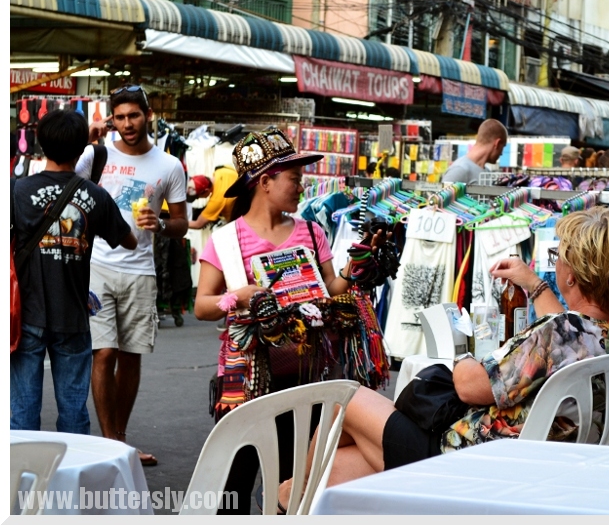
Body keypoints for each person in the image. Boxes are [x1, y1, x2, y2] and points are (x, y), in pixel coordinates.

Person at [278, 207, 609, 504]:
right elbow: (563, 327)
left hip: (465, 464)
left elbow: (470, 386)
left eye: (559, 256)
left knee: (346, 401)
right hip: (531, 468)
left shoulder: (559, 334)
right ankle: (294, 495)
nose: (557, 264)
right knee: (346, 463)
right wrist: (533, 284)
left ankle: (289, 498)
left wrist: (465, 353)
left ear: (573, 276)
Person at [194, 128, 386, 514]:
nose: (301, 187)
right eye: (294, 179)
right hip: (246, 381)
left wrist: (354, 267)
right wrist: (239, 296)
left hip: (306, 376)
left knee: (293, 478)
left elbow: (333, 288)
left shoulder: (312, 233)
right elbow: (202, 305)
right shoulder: (227, 239)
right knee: (237, 477)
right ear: (265, 182)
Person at [77, 85, 188, 466]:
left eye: (134, 116)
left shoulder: (170, 166)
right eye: (120, 117)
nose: (127, 124)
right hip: (97, 266)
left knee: (131, 356)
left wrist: (160, 223)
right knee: (104, 353)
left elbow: (182, 224)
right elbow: (59, 184)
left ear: (147, 115)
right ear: (113, 120)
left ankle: (120, 439)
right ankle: (111, 442)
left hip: (141, 271)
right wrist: (84, 142)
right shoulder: (95, 156)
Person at [11, 110, 137, 435]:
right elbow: (129, 241)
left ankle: (22, 482)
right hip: (73, 318)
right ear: (83, 149)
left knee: (22, 413)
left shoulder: (17, 191)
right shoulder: (96, 196)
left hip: (27, 316)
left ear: (38, 143)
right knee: (73, 414)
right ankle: (71, 478)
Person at [441, 119, 507, 184]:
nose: (501, 153)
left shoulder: (487, 172)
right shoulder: (460, 169)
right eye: (503, 146)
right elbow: (442, 194)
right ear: (497, 143)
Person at [188, 165, 238, 230]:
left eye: (198, 197)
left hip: (242, 222)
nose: (198, 199)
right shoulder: (221, 170)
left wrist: (178, 222)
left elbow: (198, 224)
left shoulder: (216, 201)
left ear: (206, 191)